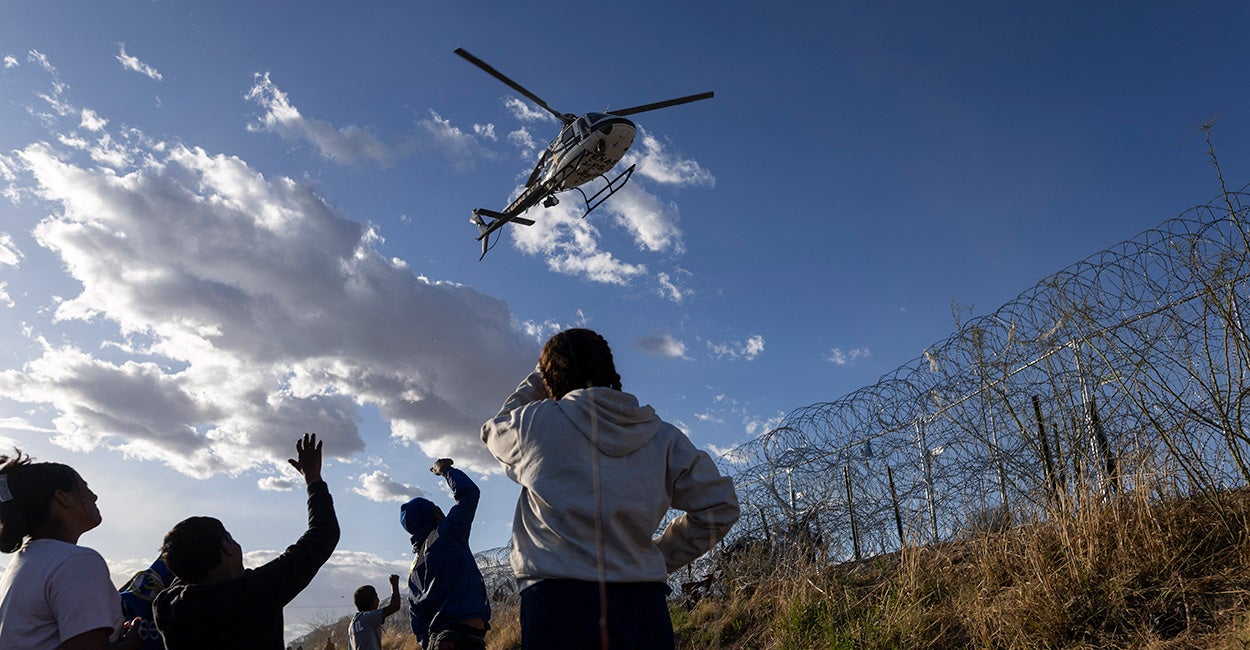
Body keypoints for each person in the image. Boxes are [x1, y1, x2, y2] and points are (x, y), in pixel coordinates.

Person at [481, 328, 740, 649]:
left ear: (550, 379)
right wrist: (659, 556)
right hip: (642, 603)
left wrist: (536, 379)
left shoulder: (534, 423)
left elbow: (495, 428)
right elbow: (720, 506)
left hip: (557, 603)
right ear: (609, 369)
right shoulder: (662, 436)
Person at [153, 433, 340, 650]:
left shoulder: (167, 606)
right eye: (231, 538)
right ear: (225, 549)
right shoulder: (255, 593)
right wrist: (313, 479)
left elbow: (186, 571)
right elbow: (323, 534)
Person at [0, 451, 140, 650]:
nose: (94, 496)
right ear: (62, 497)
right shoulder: (77, 561)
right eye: (85, 488)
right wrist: (128, 644)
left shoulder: (22, 562)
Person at [400, 458, 490, 650]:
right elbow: (469, 493)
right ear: (432, 514)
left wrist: (432, 645)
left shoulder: (414, 569)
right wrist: (445, 470)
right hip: (463, 639)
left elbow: (417, 618)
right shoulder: (448, 533)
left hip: (442, 641)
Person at [347, 574, 400, 650]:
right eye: (376, 597)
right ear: (372, 602)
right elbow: (395, 606)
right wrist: (394, 585)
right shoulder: (368, 618)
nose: (378, 600)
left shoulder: (352, 624)